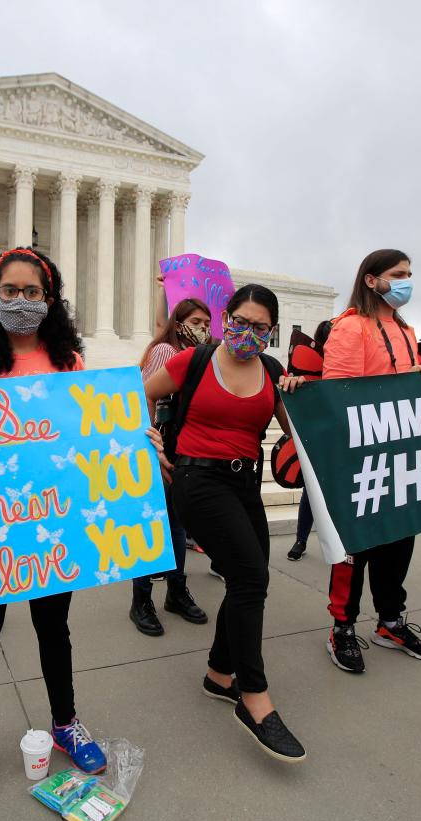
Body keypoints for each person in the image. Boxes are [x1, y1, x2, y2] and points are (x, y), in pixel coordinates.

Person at [0, 247, 113, 807]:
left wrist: (134, 438)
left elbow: (92, 429)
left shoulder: (68, 364)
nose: (20, 301)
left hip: (48, 524)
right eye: (9, 291)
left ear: (50, 299)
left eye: (31, 292)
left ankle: (65, 721)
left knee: (52, 628)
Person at [145, 283, 309, 763]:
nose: (247, 332)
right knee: (251, 578)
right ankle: (254, 699)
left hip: (245, 483)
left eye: (260, 326)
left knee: (249, 578)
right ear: (225, 319)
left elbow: (299, 421)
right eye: (239, 321)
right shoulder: (193, 361)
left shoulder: (272, 370)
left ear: (272, 331)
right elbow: (136, 394)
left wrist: (298, 392)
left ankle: (220, 675)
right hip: (197, 479)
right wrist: (150, 442)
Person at [320, 249, 421, 674]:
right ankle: (341, 628)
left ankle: (389, 622)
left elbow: (406, 385)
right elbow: (341, 396)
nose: (406, 281)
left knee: (399, 542)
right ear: (371, 280)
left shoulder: (403, 328)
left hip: (404, 460)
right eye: (397, 274)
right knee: (355, 548)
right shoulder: (349, 328)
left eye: (409, 274)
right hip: (362, 461)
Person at [128, 298, 211, 636]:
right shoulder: (166, 351)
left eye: (207, 321)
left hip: (182, 450)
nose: (203, 327)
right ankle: (141, 600)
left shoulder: (199, 355)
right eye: (196, 320)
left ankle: (176, 591)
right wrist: (151, 447)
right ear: (179, 324)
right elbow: (144, 395)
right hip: (161, 448)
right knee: (153, 528)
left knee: (177, 526)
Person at [286, 319, 334, 562]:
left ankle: (305, 540)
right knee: (311, 490)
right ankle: (301, 539)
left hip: (341, 435)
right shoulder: (312, 367)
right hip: (319, 436)